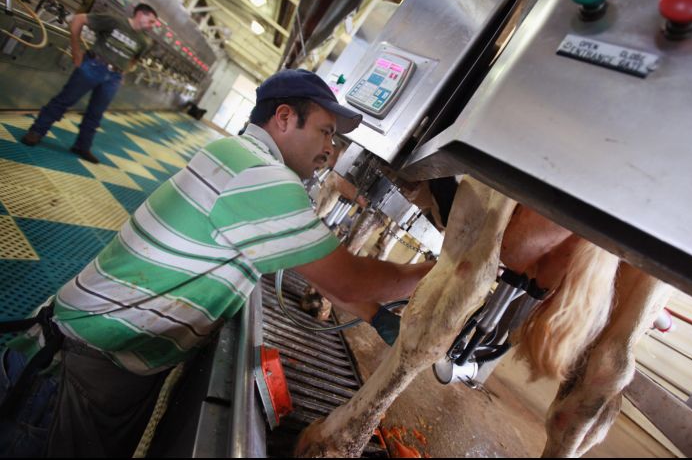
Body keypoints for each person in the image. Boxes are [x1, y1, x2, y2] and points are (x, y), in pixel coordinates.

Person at [3, 68, 432, 456]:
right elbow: (351, 280)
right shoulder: (261, 176)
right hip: (78, 372)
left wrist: (377, 316)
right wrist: (440, 273)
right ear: (284, 117)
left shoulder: (236, 155)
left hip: (91, 353)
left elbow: (326, 276)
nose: (329, 150)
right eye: (325, 132)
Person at [20, 4, 158, 163]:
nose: (152, 25)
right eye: (151, 20)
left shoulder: (144, 41)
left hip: (113, 77)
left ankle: (82, 146)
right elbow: (79, 19)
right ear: (140, 14)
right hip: (94, 66)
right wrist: (76, 50)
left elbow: (134, 60)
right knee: (65, 100)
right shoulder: (114, 21)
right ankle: (36, 132)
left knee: (96, 113)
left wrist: (122, 73)